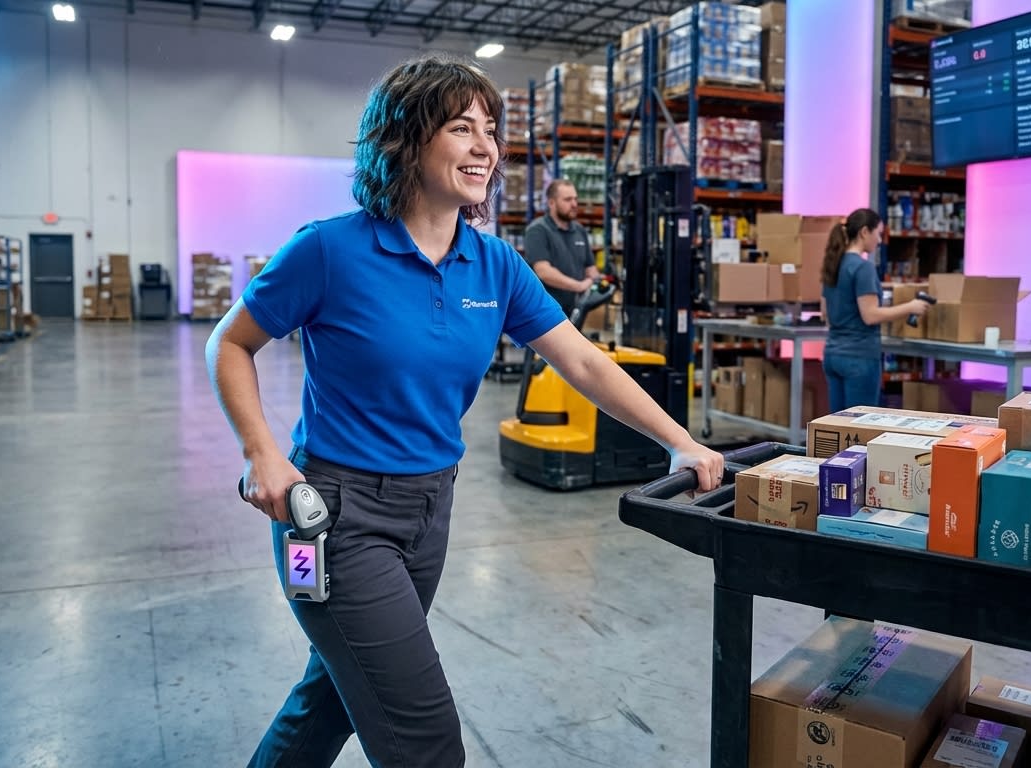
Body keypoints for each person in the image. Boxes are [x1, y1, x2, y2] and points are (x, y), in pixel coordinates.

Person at [205, 54, 724, 768]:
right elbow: (229, 343)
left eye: (490, 130)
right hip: (334, 516)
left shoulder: (494, 264)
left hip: (430, 512)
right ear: (406, 139)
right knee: (424, 741)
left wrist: (679, 442)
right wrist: (262, 453)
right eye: (460, 127)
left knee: (328, 701)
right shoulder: (329, 249)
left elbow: (582, 361)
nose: (485, 147)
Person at [821, 207, 932, 412]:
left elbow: (825, 313)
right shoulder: (863, 268)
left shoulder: (834, 264)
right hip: (859, 358)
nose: (879, 240)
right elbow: (870, 315)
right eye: (878, 233)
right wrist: (910, 306)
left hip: (832, 356)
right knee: (859, 429)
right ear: (864, 232)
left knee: (837, 426)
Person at [524, 178, 598, 316]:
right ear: (551, 202)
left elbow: (591, 269)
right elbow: (544, 272)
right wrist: (579, 286)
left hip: (575, 311)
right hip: (545, 312)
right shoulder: (538, 230)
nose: (574, 204)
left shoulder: (579, 230)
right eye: (568, 200)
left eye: (575, 199)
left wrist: (594, 281)